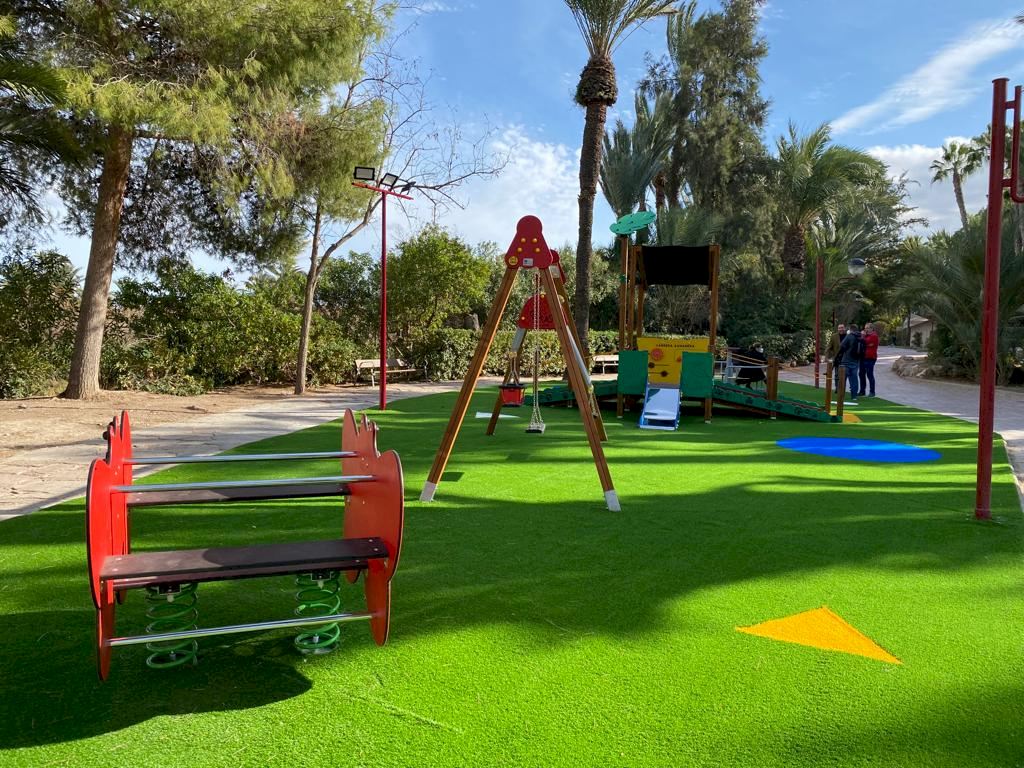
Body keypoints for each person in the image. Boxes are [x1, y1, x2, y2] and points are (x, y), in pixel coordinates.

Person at [838, 323, 862, 403]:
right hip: (856, 361)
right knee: (854, 379)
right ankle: (854, 396)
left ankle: (841, 395)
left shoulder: (849, 336)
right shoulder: (860, 337)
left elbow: (842, 345)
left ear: (850, 329)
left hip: (846, 361)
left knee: (843, 379)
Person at [859, 322, 879, 397]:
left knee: (869, 375)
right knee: (861, 374)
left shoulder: (874, 336)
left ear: (872, 328)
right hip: (863, 357)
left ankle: (872, 392)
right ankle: (862, 391)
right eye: (865, 328)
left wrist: (862, 336)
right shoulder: (866, 336)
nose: (866, 329)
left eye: (867, 328)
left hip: (870, 358)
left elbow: (866, 342)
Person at [825, 323, 846, 392]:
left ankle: (842, 388)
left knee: (844, 375)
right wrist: (827, 357)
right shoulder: (834, 336)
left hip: (846, 359)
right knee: (837, 374)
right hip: (837, 358)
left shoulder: (847, 336)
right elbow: (829, 347)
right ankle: (837, 388)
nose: (841, 329)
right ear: (837, 329)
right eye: (839, 328)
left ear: (844, 328)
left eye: (842, 327)